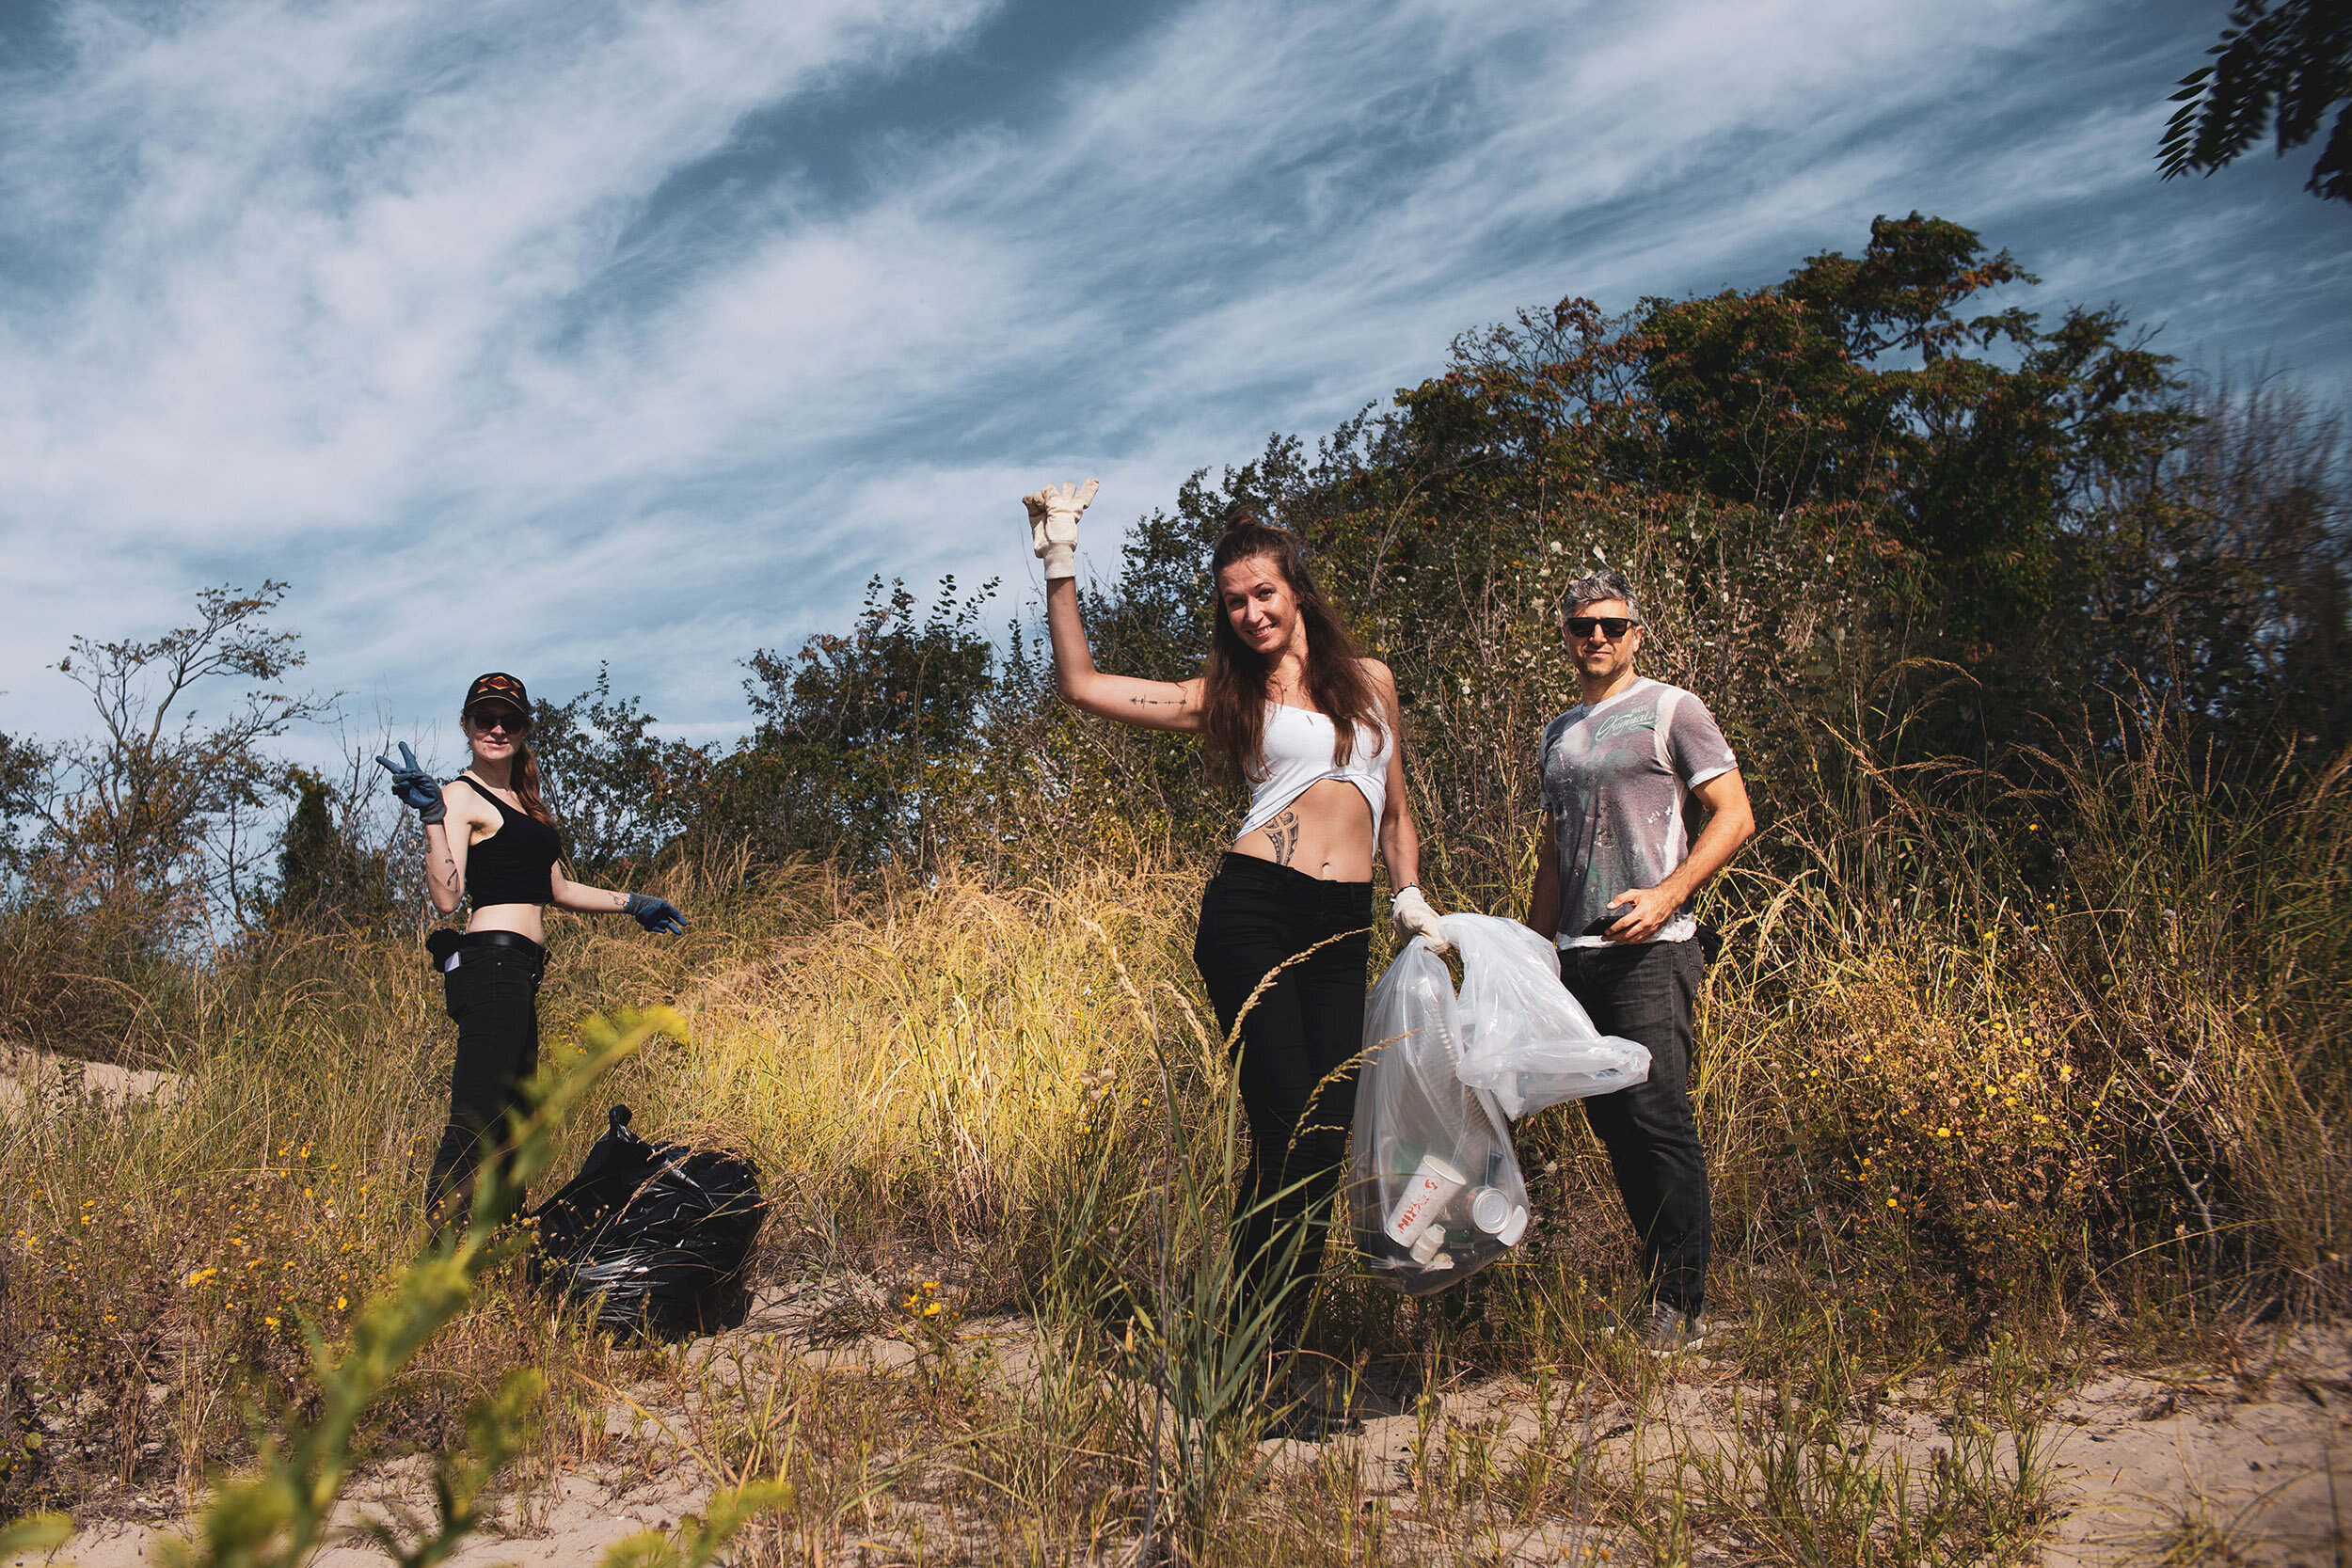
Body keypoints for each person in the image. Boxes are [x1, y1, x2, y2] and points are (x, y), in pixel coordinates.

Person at [1023, 481, 1447, 1402]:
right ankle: (1252, 1364)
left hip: (1344, 926)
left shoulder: (1372, 682)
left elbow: (1398, 810)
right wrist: (1058, 554)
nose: (1250, 612)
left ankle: (1260, 1347)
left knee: (1321, 1144)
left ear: (1295, 588)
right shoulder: (1226, 693)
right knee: (1287, 1121)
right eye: (1232, 602)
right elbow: (1081, 685)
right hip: (1253, 912)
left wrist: (1410, 895)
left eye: (1262, 592)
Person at [1525, 569, 1754, 1354]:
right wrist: (1534, 950)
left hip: (1652, 948)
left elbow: (1735, 814)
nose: (1596, 637)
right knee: (1616, 1129)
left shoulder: (1670, 708)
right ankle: (1662, 1292)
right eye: (1582, 626)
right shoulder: (1555, 734)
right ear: (1566, 634)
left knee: (1659, 1120)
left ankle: (1686, 1307)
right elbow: (1556, 854)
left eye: (1611, 626)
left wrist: (1666, 894)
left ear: (1636, 634)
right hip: (1577, 956)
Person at [377, 673, 687, 1227]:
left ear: (524, 730)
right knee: (478, 1116)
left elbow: (558, 889)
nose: (497, 729)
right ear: (466, 725)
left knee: (515, 1122)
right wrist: (430, 821)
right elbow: (448, 897)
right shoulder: (459, 795)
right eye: (485, 719)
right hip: (489, 963)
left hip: (518, 971)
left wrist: (634, 902)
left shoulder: (525, 801)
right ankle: (442, 1256)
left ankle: (496, 1247)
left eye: (510, 720)